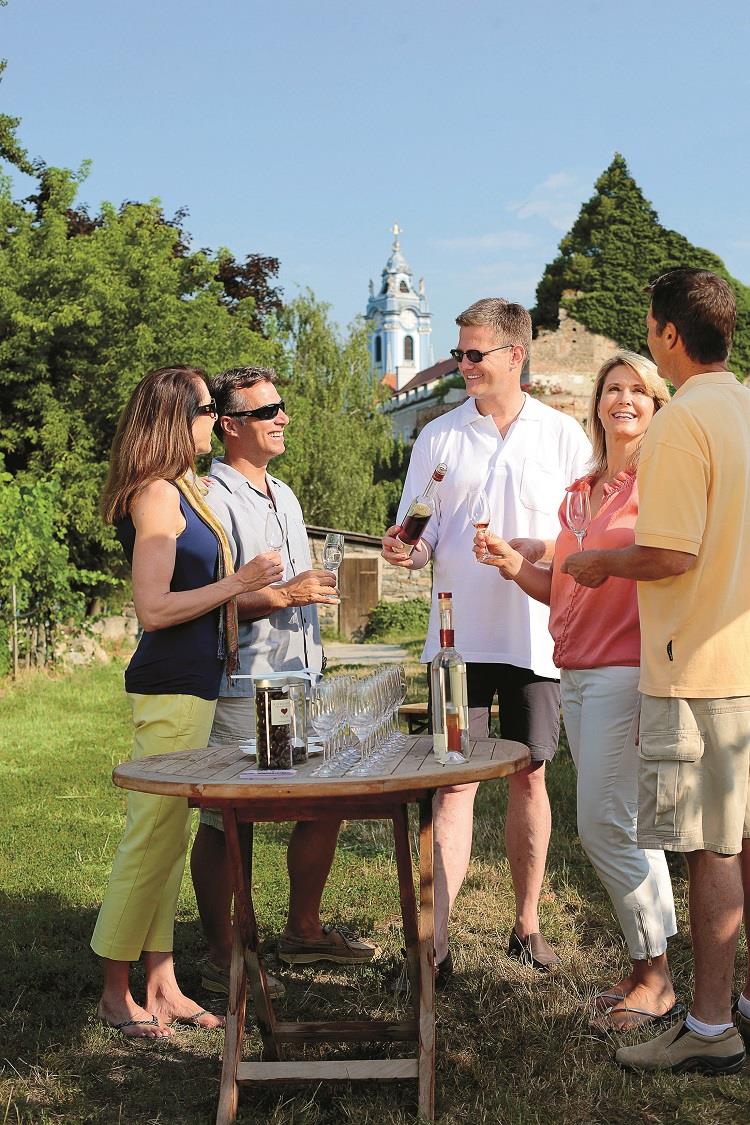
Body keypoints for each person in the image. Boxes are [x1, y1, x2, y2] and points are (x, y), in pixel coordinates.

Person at [564, 268, 750, 1074]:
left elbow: (672, 552)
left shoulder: (681, 424)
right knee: (742, 838)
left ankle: (708, 1030)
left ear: (667, 335)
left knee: (712, 849)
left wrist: (602, 562)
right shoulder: (744, 408)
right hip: (741, 656)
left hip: (697, 666)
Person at [382, 297, 591, 980]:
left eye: (476, 354)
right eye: (461, 352)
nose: (464, 364)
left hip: (537, 635)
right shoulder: (439, 437)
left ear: (515, 356)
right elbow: (419, 538)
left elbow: (585, 540)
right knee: (454, 785)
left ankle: (526, 924)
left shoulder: (564, 438)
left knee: (531, 776)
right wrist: (403, 550)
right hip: (457, 640)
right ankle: (435, 942)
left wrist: (529, 551)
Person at [475, 351, 679, 1029]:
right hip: (578, 671)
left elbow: (666, 562)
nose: (623, 398)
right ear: (597, 404)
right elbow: (562, 585)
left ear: (656, 406)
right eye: (613, 388)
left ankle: (657, 975)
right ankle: (643, 964)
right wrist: (514, 565)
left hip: (628, 669)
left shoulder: (662, 481)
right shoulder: (582, 491)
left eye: (638, 391)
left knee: (601, 824)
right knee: (622, 823)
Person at [92, 365, 284, 1038]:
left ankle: (163, 981)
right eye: (208, 410)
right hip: (171, 682)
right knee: (151, 837)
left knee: (170, 838)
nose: (215, 419)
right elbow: (153, 605)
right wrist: (237, 582)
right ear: (181, 417)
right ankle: (116, 992)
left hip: (193, 681)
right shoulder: (154, 496)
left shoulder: (179, 489)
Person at [190, 366, 378, 992]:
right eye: (267, 410)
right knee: (226, 819)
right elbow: (201, 605)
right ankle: (223, 954)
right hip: (244, 683)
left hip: (303, 679)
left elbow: (297, 584)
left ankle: (302, 931)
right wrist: (283, 594)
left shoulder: (286, 495)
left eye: (281, 407)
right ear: (229, 425)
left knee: (327, 803)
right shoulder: (210, 501)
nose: (282, 418)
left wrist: (305, 590)